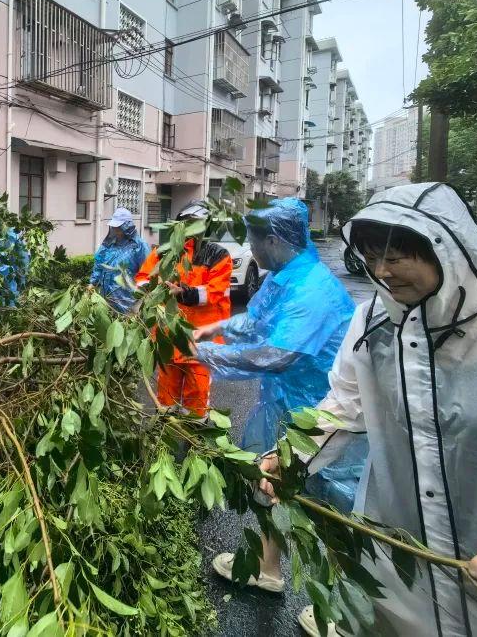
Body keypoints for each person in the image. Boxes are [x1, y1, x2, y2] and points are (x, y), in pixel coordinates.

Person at [264, 183, 477, 637]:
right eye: (370, 257)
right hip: (399, 566)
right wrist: (288, 458)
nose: (381, 272)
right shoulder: (374, 322)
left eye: (397, 257)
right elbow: (346, 404)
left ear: (448, 251)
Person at [191, 197, 356, 595]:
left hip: (322, 413)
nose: (252, 249)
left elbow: (278, 355)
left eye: (255, 240)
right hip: (285, 404)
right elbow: (259, 320)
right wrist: (217, 329)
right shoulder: (285, 277)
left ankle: (348, 612)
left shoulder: (312, 289)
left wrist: (206, 353)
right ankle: (268, 569)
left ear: (276, 240)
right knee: (273, 485)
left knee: (332, 508)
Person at [135, 201, 232, 417]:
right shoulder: (164, 253)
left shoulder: (218, 255)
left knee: (196, 401)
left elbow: (214, 292)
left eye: (196, 223)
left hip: (201, 341)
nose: (191, 228)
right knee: (166, 400)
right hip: (169, 339)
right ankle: (165, 439)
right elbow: (142, 279)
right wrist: (155, 289)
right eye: (187, 222)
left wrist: (183, 292)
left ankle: (194, 441)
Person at [90, 207, 151, 314]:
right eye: (114, 227)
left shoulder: (139, 246)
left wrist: (141, 296)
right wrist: (93, 282)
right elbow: (99, 265)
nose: (116, 230)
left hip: (128, 301)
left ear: (127, 227)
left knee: (127, 326)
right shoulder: (108, 245)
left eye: (119, 227)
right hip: (106, 298)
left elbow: (147, 273)